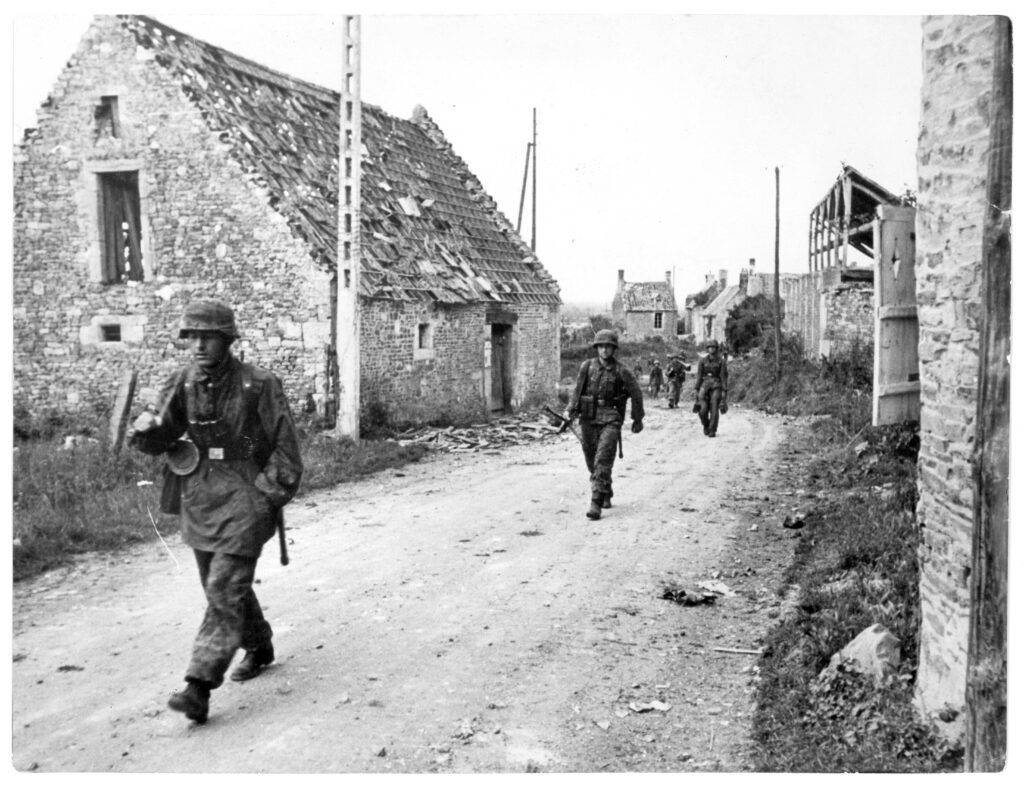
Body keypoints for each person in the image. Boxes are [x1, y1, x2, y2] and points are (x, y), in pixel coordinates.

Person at [128, 300, 303, 724]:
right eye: (192, 337)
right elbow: (164, 435)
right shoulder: (182, 383)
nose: (199, 345)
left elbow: (284, 449)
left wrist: (266, 497)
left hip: (246, 491)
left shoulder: (259, 384)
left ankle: (198, 685)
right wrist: (145, 432)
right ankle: (259, 644)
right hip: (199, 493)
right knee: (219, 585)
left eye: (208, 336)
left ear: (227, 340)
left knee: (224, 587)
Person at [564, 329, 645, 520]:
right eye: (601, 346)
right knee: (591, 459)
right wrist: (570, 410)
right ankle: (605, 490)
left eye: (608, 347)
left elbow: (636, 394)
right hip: (588, 418)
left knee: (603, 459)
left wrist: (637, 418)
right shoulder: (587, 367)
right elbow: (577, 391)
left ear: (613, 349)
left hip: (611, 417)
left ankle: (595, 502)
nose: (604, 350)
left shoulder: (622, 370)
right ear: (596, 348)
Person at [694, 339, 729, 437]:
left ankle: (712, 430)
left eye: (713, 347)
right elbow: (699, 376)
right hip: (704, 386)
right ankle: (706, 425)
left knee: (714, 407)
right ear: (707, 349)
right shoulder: (702, 361)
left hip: (716, 386)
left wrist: (724, 391)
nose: (711, 349)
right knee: (702, 409)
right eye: (709, 347)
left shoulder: (721, 361)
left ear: (716, 348)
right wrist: (697, 389)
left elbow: (723, 377)